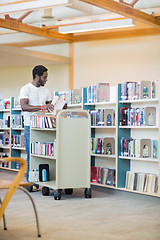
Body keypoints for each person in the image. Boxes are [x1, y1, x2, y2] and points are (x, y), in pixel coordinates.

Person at [20, 65, 54, 191]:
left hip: (45, 126)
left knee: (46, 154)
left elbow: (49, 106)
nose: (46, 80)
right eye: (44, 77)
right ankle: (31, 183)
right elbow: (24, 106)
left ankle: (46, 180)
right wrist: (41, 108)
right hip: (31, 126)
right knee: (31, 155)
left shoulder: (46, 91)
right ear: (37, 76)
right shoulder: (26, 89)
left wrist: (60, 105)